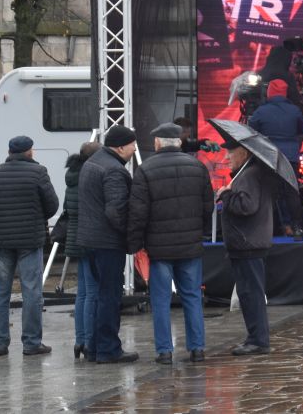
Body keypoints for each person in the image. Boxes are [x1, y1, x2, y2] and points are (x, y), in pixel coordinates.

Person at [128, 123, 215, 364]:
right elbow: (208, 206)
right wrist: (200, 232)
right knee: (192, 297)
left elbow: (138, 212)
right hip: (190, 245)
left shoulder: (145, 170)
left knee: (160, 300)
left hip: (158, 248)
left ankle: (164, 351)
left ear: (157, 143)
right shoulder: (197, 167)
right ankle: (197, 349)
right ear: (179, 142)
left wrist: (135, 243)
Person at [0, 135, 59, 357]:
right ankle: (31, 342)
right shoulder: (38, 172)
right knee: (31, 291)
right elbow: (52, 205)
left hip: (2, 241)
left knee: (0, 292)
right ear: (30, 151)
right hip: (29, 239)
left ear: (10, 152)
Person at [78, 125, 139, 364]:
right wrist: (128, 233)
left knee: (98, 294)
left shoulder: (92, 163)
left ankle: (93, 347)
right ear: (121, 147)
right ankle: (108, 349)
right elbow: (116, 210)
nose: (135, 149)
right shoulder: (114, 170)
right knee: (109, 296)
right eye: (133, 145)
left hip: (89, 240)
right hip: (107, 242)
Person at [219, 139, 280, 356]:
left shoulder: (249, 175)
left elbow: (246, 206)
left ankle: (258, 340)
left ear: (244, 153)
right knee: (249, 293)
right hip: (248, 243)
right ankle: (256, 338)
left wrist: (226, 194)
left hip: (248, 243)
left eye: (230, 152)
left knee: (251, 294)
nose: (226, 157)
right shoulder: (251, 173)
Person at [247, 79, 303, 237]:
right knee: (291, 192)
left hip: (268, 156)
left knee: (268, 192)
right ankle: (297, 227)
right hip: (290, 156)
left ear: (269, 92)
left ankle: (268, 227)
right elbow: (302, 130)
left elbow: (251, 131)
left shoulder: (261, 111)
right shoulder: (295, 110)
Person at [65, 140, 101, 361]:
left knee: (82, 293)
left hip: (75, 238)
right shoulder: (89, 176)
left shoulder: (72, 175)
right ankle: (89, 341)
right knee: (92, 292)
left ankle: (80, 340)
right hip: (90, 237)